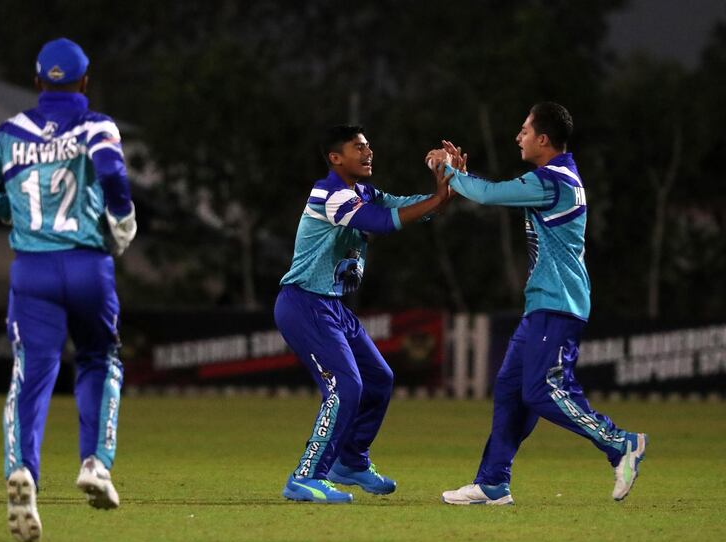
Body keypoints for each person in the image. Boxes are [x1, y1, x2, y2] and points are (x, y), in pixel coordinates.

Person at [0, 38, 137, 542]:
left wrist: (10, 212)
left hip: (32, 269)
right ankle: (96, 463)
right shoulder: (96, 124)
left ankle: (22, 469)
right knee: (100, 360)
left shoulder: (8, 133)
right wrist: (122, 220)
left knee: (31, 373)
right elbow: (111, 172)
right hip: (87, 265)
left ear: (38, 83)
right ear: (85, 81)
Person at [427, 102, 647, 505]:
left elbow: (489, 195)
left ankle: (621, 443)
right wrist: (462, 177)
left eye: (524, 131)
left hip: (558, 305)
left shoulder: (552, 181)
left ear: (543, 140)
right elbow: (487, 192)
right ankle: (493, 483)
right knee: (511, 390)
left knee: (542, 390)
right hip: (544, 305)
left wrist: (450, 172)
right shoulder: (559, 177)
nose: (518, 137)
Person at [275, 125, 452, 503]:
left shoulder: (364, 192)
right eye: (358, 147)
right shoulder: (329, 195)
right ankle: (305, 476)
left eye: (369, 145)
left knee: (378, 379)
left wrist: (449, 186)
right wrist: (437, 198)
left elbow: (406, 207)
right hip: (304, 303)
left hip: (333, 306)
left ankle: (351, 462)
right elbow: (381, 223)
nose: (368, 152)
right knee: (345, 387)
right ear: (335, 158)